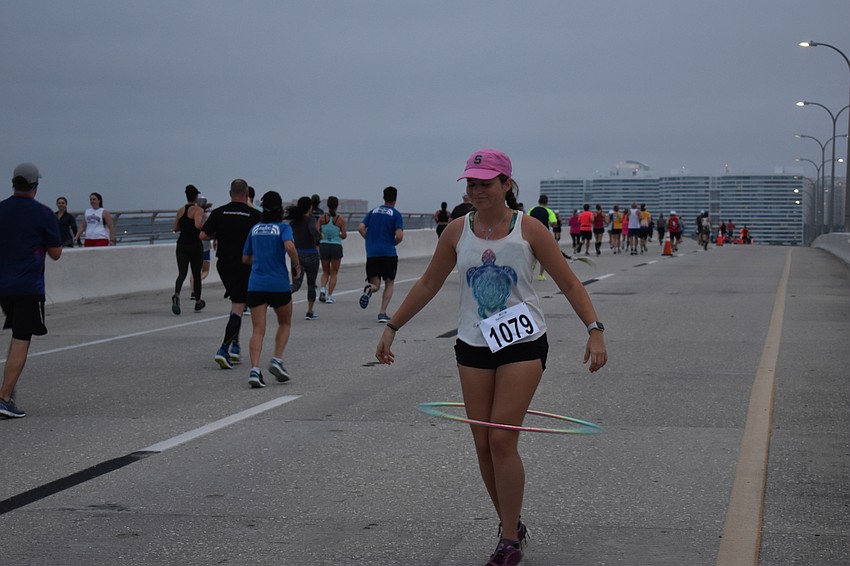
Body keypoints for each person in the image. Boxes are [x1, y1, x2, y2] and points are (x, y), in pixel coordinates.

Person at [375, 149, 607, 565]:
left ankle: (509, 542)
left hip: (522, 342)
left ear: (506, 185)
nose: (477, 190)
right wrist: (393, 327)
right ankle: (511, 524)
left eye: (486, 183)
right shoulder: (455, 231)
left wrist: (594, 330)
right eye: (471, 183)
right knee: (483, 443)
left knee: (502, 437)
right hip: (473, 344)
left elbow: (569, 282)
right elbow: (429, 283)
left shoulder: (529, 229)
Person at [0, 163, 63, 418]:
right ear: (36, 185)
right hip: (28, 286)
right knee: (21, 338)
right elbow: (56, 253)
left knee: (16, 332)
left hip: (2, 285)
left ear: (14, 183)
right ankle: (4, 398)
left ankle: (8, 387)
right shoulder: (43, 213)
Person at [242, 191, 301, 388]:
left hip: (256, 284)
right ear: (279, 209)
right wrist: (297, 266)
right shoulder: (283, 228)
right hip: (278, 285)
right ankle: (276, 359)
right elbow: (290, 247)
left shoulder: (255, 229)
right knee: (285, 322)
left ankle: (255, 370)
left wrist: (259, 259)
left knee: (258, 330)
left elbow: (246, 259)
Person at [201, 179, 262, 369]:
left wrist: (218, 234)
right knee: (238, 306)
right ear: (247, 194)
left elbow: (203, 235)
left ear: (230, 193)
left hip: (223, 264)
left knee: (237, 301)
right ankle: (224, 349)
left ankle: (235, 346)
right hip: (244, 263)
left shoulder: (219, 212)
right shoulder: (254, 215)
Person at [358, 186, 404, 323]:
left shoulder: (373, 212)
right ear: (395, 198)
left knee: (376, 284)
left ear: (383, 197)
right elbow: (399, 235)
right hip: (388, 253)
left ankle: (370, 288)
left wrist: (369, 239)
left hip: (372, 253)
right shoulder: (395, 214)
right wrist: (394, 242)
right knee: (389, 282)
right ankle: (382, 313)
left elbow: (360, 227)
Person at [171, 184, 206, 315]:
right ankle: (198, 302)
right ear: (196, 197)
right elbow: (197, 225)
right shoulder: (198, 210)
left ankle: (176, 295)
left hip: (181, 245)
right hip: (194, 245)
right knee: (196, 274)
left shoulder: (180, 211)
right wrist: (205, 227)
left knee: (182, 273)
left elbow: (175, 228)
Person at [288, 196, 322, 320]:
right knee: (311, 284)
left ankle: (282, 298)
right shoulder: (310, 220)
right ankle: (309, 311)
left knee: (296, 284)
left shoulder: (293, 222)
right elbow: (313, 230)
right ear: (310, 207)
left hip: (297, 255)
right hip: (311, 254)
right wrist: (319, 236)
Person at [318, 196, 347, 304]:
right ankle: (329, 295)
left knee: (325, 272)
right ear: (337, 205)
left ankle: (322, 289)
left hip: (324, 245)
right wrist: (338, 234)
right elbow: (344, 235)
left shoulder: (322, 218)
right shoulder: (340, 219)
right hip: (336, 246)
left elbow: (316, 231)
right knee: (334, 272)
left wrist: (322, 235)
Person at [527, 194, 557, 279]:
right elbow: (554, 223)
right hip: (544, 235)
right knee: (543, 255)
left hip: (531, 233)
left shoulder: (532, 210)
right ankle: (541, 274)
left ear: (538, 201)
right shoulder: (549, 211)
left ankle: (531, 268)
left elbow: (526, 219)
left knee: (531, 252)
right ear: (547, 202)